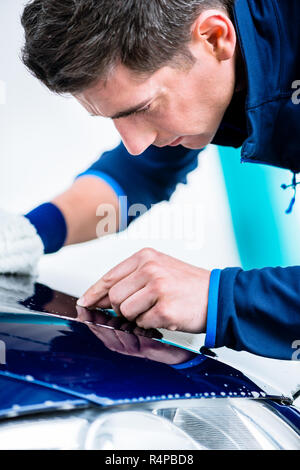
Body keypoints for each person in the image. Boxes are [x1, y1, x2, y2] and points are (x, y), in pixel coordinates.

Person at [0, 0, 299, 360]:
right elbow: (139, 172)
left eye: (142, 109)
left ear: (214, 36)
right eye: (113, 118)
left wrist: (216, 297)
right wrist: (29, 234)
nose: (135, 145)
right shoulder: (203, 59)